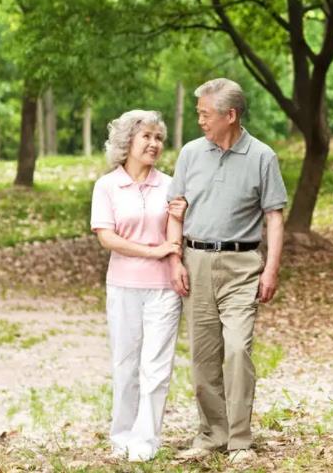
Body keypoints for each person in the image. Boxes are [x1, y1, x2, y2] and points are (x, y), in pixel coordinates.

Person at [166, 78, 287, 465]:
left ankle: (239, 440)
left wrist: (271, 269)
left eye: (205, 113)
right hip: (196, 261)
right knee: (204, 355)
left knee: (237, 349)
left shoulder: (262, 156)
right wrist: (174, 258)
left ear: (229, 115)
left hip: (242, 265)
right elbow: (176, 208)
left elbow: (274, 216)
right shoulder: (189, 154)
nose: (199, 120)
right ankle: (211, 433)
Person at [90, 110, 184, 462]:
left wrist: (171, 255)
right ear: (127, 141)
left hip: (163, 289)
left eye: (159, 138)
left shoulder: (171, 184)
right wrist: (153, 250)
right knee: (125, 365)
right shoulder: (107, 186)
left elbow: (176, 230)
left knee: (156, 368)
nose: (154, 143)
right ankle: (121, 437)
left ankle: (146, 441)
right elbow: (107, 238)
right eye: (147, 136)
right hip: (123, 286)